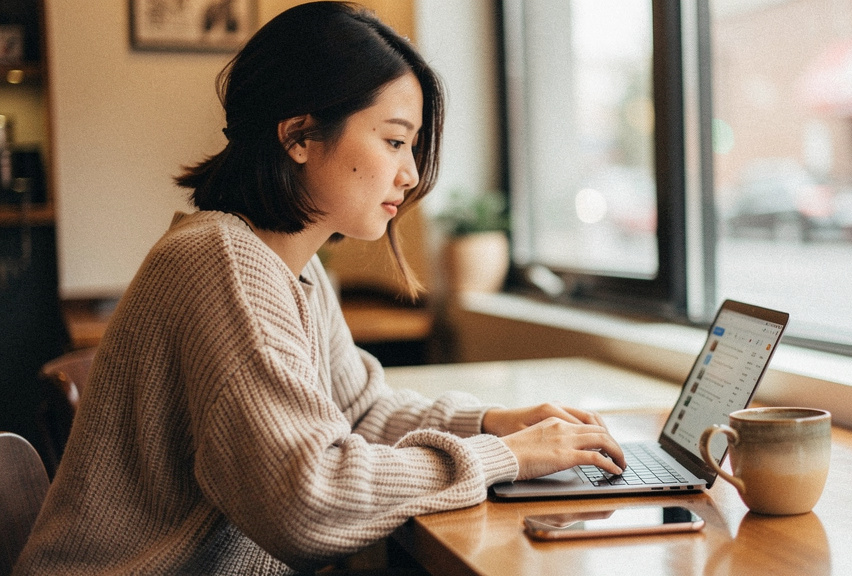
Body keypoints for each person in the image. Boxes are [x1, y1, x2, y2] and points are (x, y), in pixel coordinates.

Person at [14, 3, 625, 574]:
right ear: (299, 136)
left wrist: (493, 423)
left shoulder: (292, 265)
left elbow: (357, 410)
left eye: (411, 146)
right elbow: (309, 499)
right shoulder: (222, 261)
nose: (410, 174)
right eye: (393, 140)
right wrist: (507, 459)